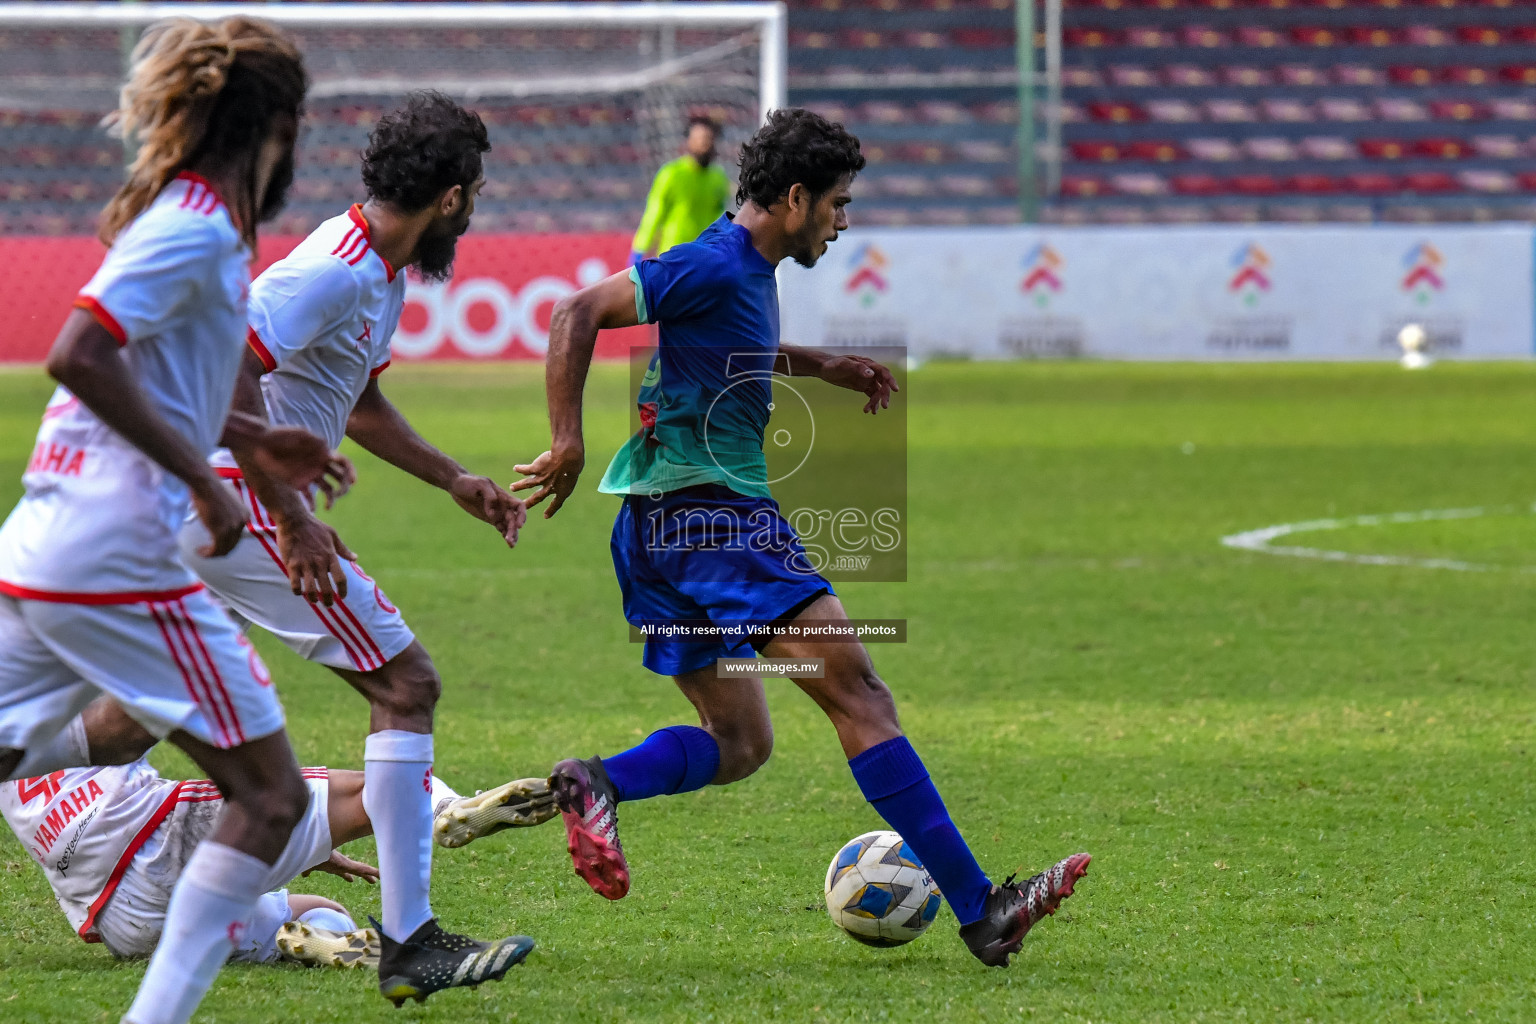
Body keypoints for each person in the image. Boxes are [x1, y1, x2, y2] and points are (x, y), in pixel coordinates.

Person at [508, 108, 1090, 968]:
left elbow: (726, 346)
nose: (844, 222)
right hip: (715, 519)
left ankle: (599, 782)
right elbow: (575, 312)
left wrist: (820, 364)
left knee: (742, 744)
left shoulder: (738, 262)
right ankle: (982, 910)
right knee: (861, 696)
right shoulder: (713, 259)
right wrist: (566, 439)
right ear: (793, 197)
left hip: (655, 526)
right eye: (838, 204)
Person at [0, 17, 346, 1024]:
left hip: (41, 545)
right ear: (275, 125)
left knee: (75, 741)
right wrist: (206, 477)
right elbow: (79, 353)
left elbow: (152, 372)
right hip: (117, 554)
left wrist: (247, 436)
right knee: (273, 795)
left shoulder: (199, 225)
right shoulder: (194, 224)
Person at [177, 89, 533, 1007]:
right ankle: (410, 943)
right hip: (231, 499)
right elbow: (224, 371)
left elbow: (356, 400)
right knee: (404, 683)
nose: (477, 205)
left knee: (123, 715)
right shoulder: (332, 270)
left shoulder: (381, 272)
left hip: (219, 502)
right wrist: (292, 516)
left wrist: (452, 477)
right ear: (451, 197)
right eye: (477, 190)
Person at [2, 701, 557, 971]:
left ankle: (323, 944)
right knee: (379, 789)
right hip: (159, 835)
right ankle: (446, 807)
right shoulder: (78, 671)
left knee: (319, 908)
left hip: (120, 921)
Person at [630, 115, 731, 266]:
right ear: (688, 141)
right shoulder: (671, 174)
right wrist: (639, 249)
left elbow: (719, 216)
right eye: (698, 138)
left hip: (706, 256)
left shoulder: (718, 178)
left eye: (707, 139)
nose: (703, 143)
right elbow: (654, 213)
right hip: (673, 255)